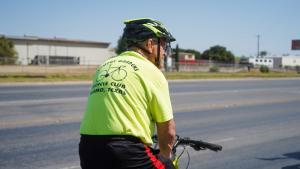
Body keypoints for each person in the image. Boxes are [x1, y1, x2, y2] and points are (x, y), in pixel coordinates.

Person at [79, 18, 176, 169]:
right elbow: (168, 131)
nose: (164, 52)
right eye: (163, 44)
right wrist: (166, 158)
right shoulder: (152, 71)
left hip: (88, 148)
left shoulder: (103, 67)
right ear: (150, 44)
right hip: (127, 152)